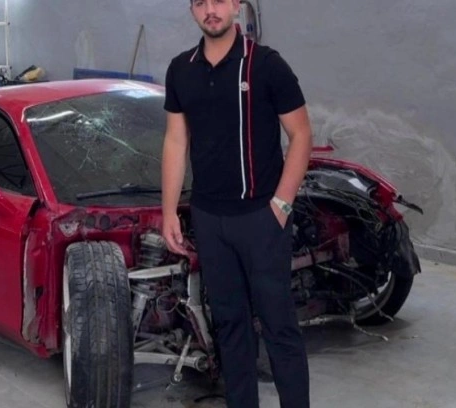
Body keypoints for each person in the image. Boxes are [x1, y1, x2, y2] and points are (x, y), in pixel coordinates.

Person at [161, 1, 313, 407]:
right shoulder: (181, 69)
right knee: (230, 326)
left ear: (235, 5)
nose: (210, 10)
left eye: (218, 1)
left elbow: (301, 134)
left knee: (279, 326)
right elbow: (176, 140)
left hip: (261, 218)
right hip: (209, 219)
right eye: (201, 2)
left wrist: (281, 204)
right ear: (192, 10)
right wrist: (169, 210)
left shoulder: (266, 65)